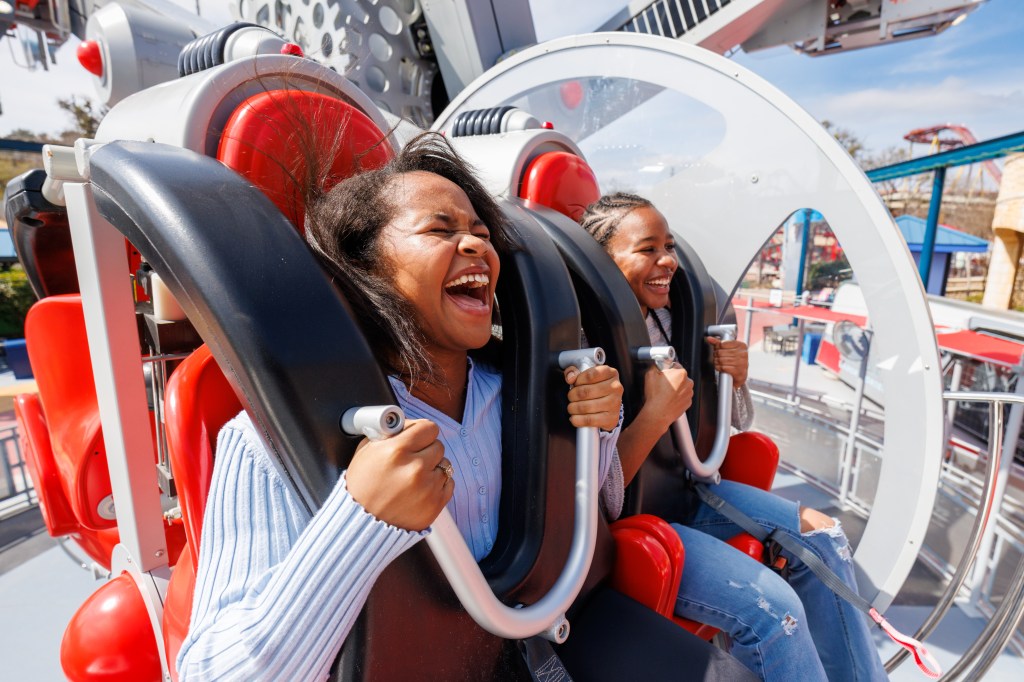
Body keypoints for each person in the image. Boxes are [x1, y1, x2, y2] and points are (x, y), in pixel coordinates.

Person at [177, 136, 755, 680]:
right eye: (440, 229)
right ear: (365, 268)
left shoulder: (523, 395)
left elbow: (599, 508)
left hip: (537, 645)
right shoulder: (273, 442)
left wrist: (598, 428)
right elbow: (213, 669)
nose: (478, 245)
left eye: (481, 231)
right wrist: (360, 517)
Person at [580, 192, 888, 681]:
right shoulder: (583, 347)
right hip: (634, 522)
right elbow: (598, 495)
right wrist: (655, 416)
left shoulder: (670, 320)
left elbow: (735, 421)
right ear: (601, 261)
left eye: (669, 246)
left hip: (687, 489)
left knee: (824, 537)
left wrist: (734, 380)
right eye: (647, 249)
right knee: (776, 613)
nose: (667, 261)